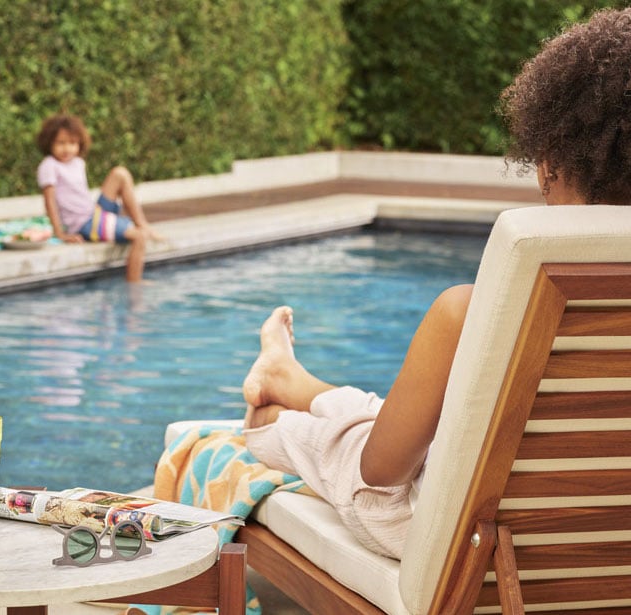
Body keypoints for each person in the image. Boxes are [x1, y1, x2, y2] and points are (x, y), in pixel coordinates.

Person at [239, 7, 631, 560]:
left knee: (345, 447)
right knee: (420, 417)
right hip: (605, 547)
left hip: (461, 544)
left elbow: (381, 473)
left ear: (547, 165)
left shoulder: (476, 314)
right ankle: (292, 377)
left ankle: (274, 408)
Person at [36, 113, 160, 282]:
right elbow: (49, 201)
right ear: (49, 143)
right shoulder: (49, 166)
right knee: (139, 237)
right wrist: (59, 233)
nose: (67, 149)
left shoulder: (78, 163)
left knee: (120, 174)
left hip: (93, 214)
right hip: (83, 223)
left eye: (72, 143)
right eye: (61, 143)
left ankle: (142, 223)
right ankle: (135, 284)